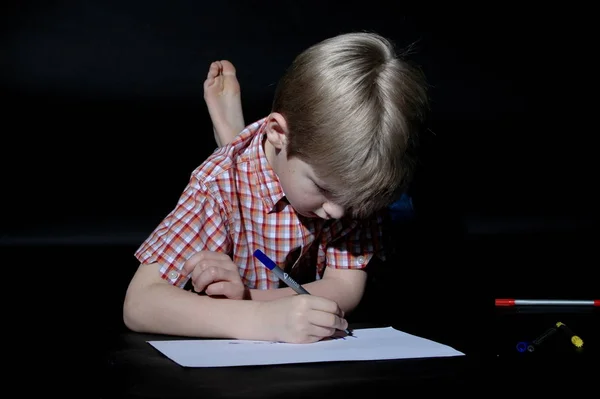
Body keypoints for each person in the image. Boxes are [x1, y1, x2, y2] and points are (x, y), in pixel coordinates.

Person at [123, 32, 429, 344]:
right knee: (234, 176)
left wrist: (247, 297)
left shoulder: (349, 188)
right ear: (278, 134)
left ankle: (233, 135)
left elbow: (345, 286)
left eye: (354, 203)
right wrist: (260, 319)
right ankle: (233, 142)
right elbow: (139, 304)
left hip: (278, 170)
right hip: (244, 180)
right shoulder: (216, 183)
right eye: (322, 188)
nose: (337, 212)